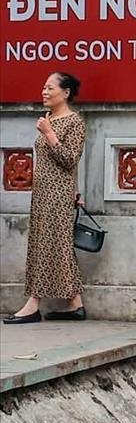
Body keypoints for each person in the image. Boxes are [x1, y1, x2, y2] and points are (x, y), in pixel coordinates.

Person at [7, 72, 89, 325]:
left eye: (50, 88)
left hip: (57, 194)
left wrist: (49, 133)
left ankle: (33, 304)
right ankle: (76, 304)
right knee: (56, 245)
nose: (44, 92)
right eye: (43, 87)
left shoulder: (74, 122)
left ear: (65, 92)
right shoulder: (49, 118)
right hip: (43, 193)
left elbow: (70, 159)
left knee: (48, 245)